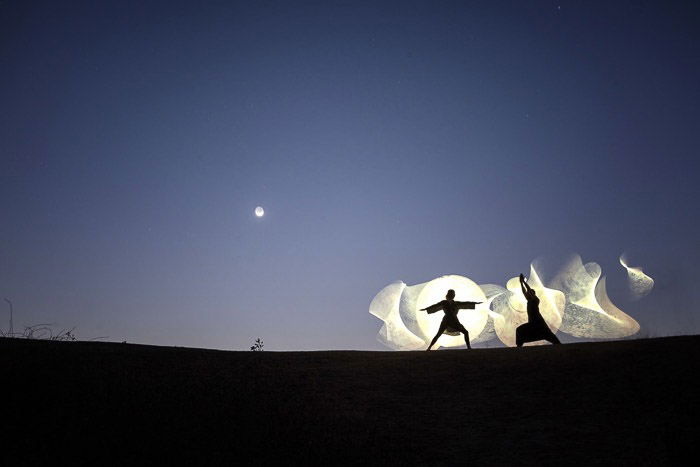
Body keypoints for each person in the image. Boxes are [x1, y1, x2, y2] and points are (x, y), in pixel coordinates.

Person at [515, 273, 561, 346]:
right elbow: (524, 292)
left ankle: (559, 345)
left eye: (530, 293)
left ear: (533, 294)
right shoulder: (529, 301)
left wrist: (524, 282)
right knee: (519, 330)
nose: (527, 294)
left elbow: (528, 290)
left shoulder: (535, 300)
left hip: (538, 323)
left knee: (550, 336)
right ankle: (519, 346)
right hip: (532, 323)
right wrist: (521, 283)